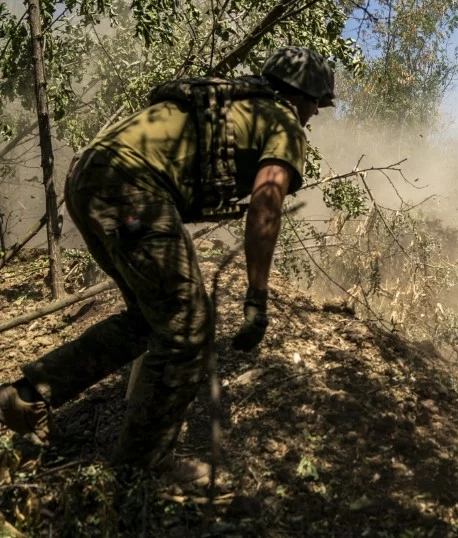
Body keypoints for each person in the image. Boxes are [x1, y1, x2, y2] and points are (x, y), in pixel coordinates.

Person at [0, 46, 334, 484]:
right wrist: (257, 295)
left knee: (149, 319)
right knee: (189, 327)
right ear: (302, 97)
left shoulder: (237, 103)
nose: (313, 115)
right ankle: (143, 466)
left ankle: (28, 396)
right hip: (131, 191)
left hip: (87, 177)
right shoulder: (283, 122)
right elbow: (266, 205)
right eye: (316, 105)